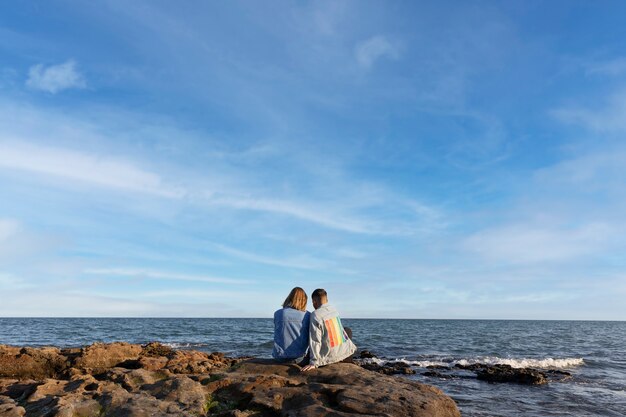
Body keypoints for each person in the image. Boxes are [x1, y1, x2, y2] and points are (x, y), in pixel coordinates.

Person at [301, 288, 356, 371]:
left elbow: (315, 340)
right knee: (346, 330)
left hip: (330, 357)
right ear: (326, 299)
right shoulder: (334, 310)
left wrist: (313, 363)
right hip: (345, 352)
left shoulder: (316, 314)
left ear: (314, 301)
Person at [272, 287, 311, 361]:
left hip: (279, 357)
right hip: (299, 358)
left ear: (290, 298)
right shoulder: (308, 315)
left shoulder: (278, 313)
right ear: (303, 301)